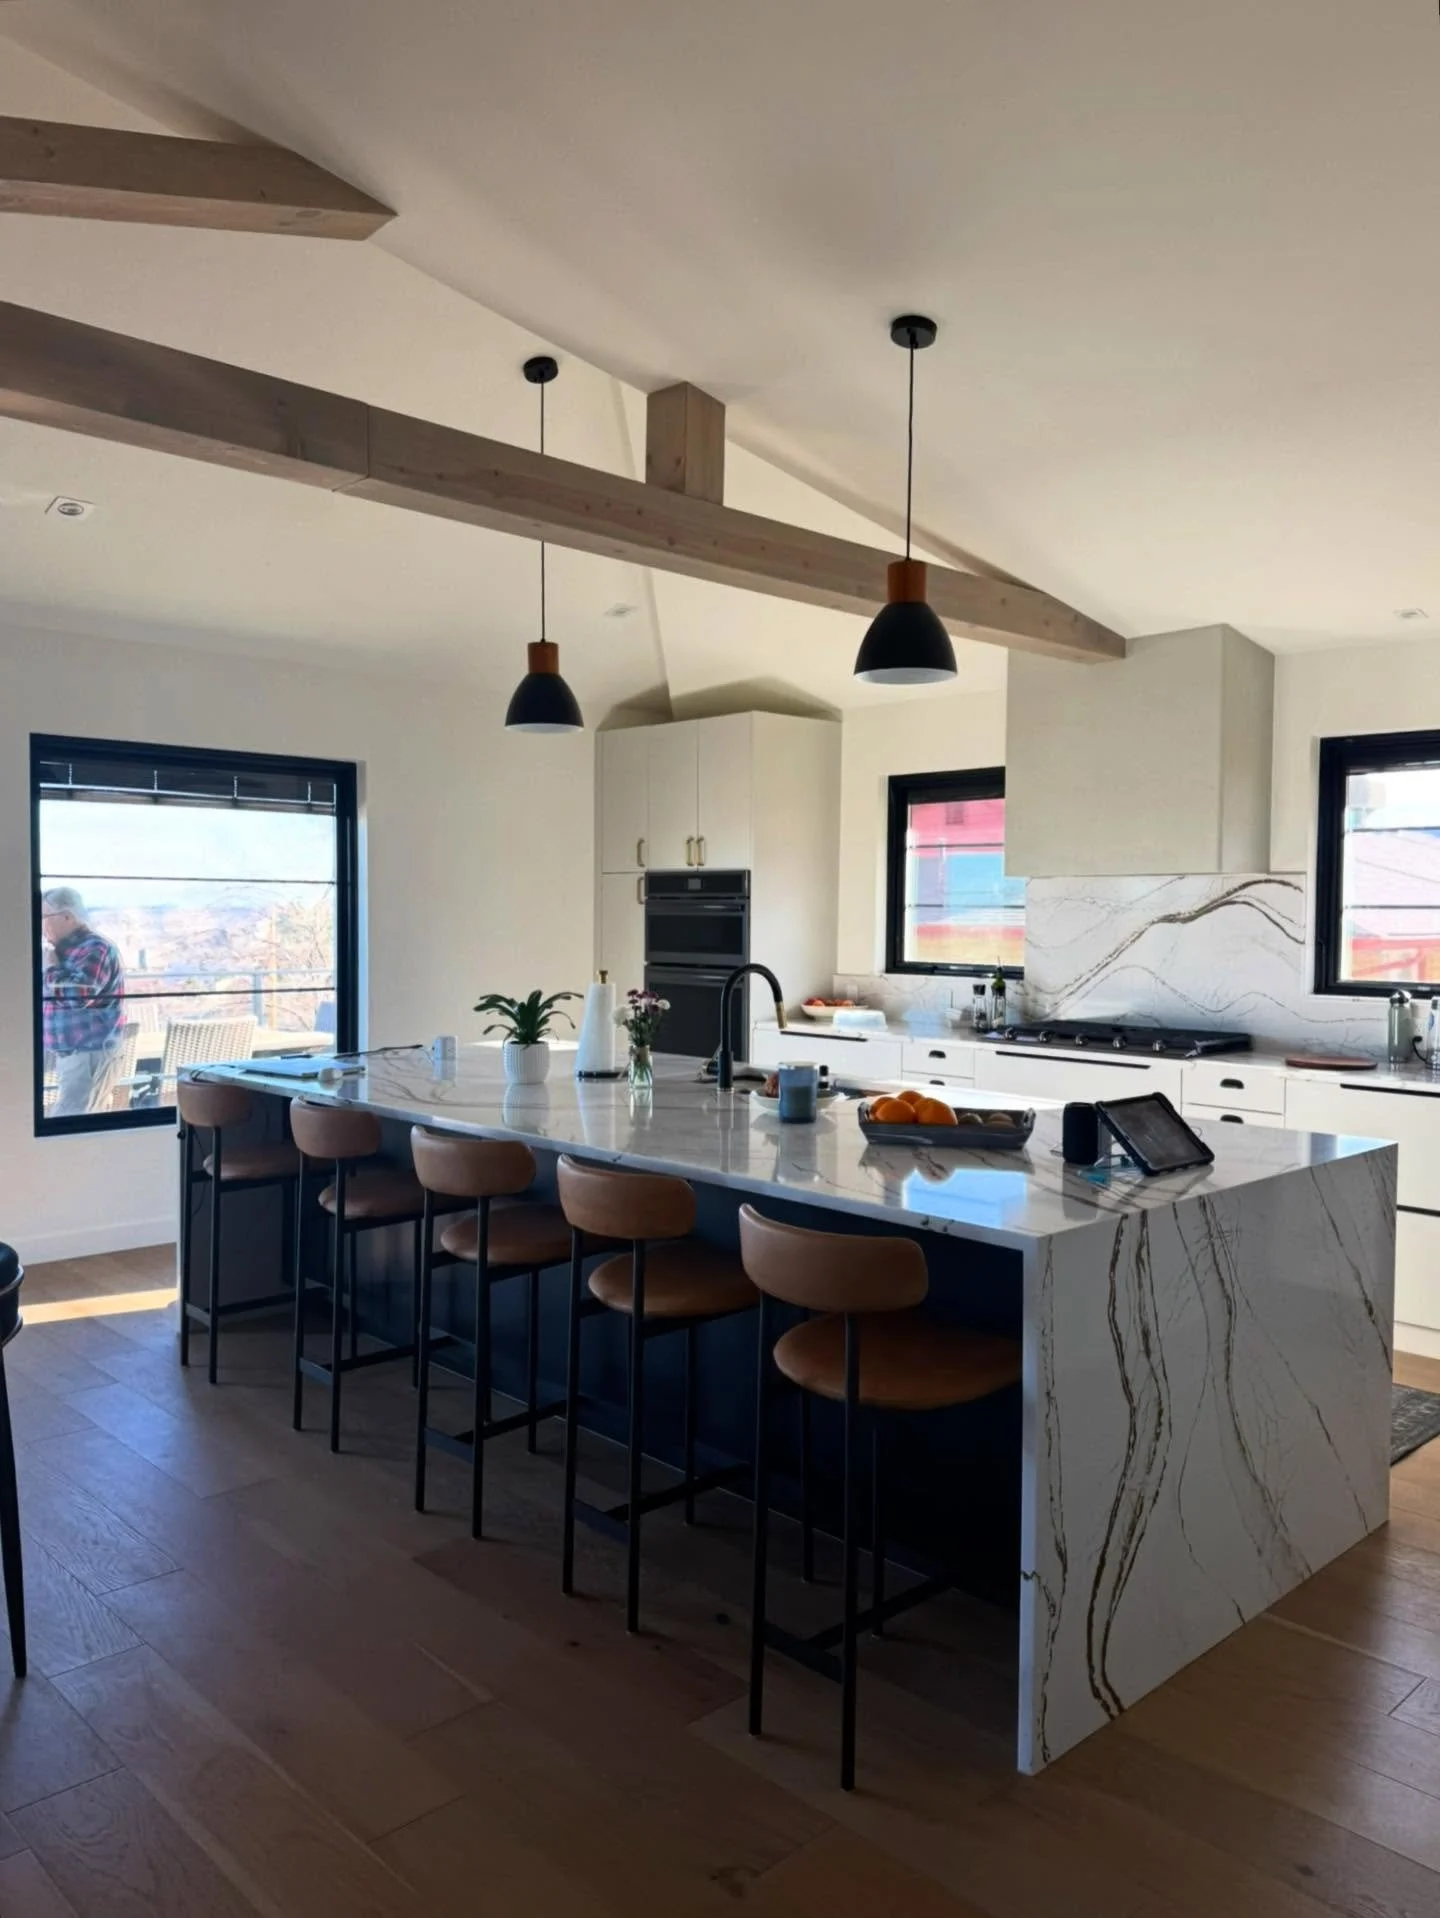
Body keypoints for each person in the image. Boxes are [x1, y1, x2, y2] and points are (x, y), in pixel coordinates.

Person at [40, 888, 127, 1117]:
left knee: (68, 1125)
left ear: (67, 917)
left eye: (43, 917)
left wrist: (51, 969)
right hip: (76, 1055)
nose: (40, 925)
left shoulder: (95, 949)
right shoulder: (64, 952)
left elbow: (78, 997)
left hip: (90, 1054)